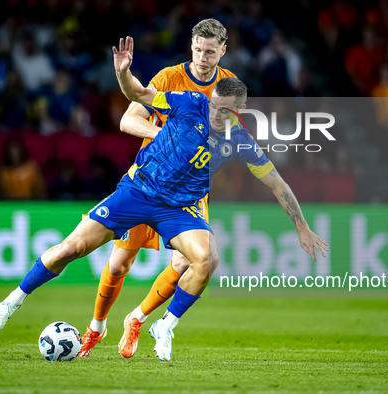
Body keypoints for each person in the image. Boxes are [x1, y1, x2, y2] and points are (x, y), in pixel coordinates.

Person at [0, 36, 329, 361]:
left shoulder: (240, 141)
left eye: (227, 112)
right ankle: (13, 301)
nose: (218, 116)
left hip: (180, 207)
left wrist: (301, 226)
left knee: (207, 258)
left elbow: (278, 185)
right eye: (216, 107)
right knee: (72, 248)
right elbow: (136, 95)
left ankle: (164, 324)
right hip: (139, 191)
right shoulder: (187, 101)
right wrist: (123, 73)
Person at [79, 19, 236, 359]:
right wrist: (166, 137)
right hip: (150, 181)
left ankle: (138, 318)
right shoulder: (168, 78)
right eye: (197, 49)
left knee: (190, 260)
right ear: (191, 47)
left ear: (223, 51)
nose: (202, 57)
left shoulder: (229, 87)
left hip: (190, 192)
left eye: (210, 52)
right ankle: (96, 326)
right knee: (120, 264)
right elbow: (128, 120)